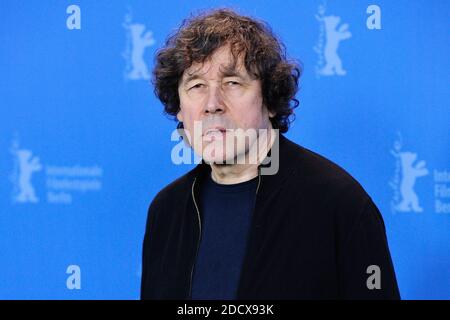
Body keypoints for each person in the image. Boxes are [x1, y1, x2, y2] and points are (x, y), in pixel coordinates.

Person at [140, 8, 400, 300]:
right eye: (196, 85)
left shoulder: (339, 202)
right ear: (179, 107)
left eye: (232, 82)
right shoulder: (167, 210)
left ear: (271, 100)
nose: (212, 104)